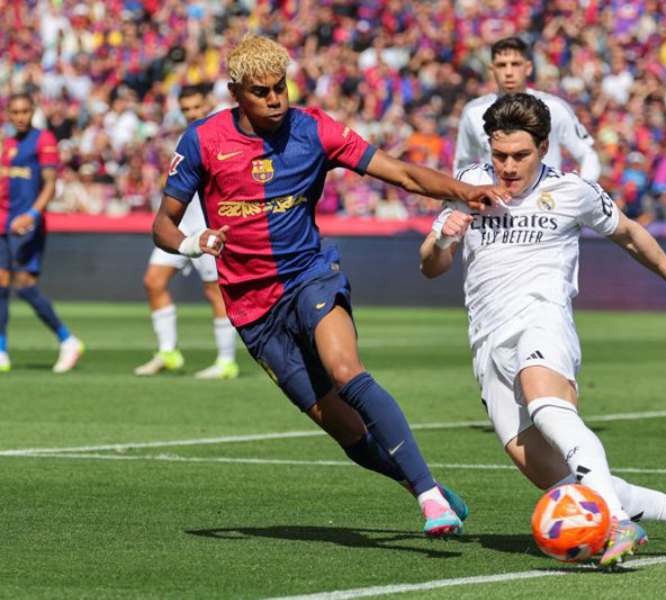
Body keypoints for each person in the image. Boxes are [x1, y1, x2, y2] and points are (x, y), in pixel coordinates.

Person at [152, 35, 507, 537]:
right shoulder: (203, 141)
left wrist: (465, 191)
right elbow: (163, 226)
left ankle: (428, 497)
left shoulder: (315, 129)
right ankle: (419, 483)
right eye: (261, 92)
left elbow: (401, 173)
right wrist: (195, 241)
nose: (275, 99)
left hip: (310, 275)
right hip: (253, 309)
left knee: (346, 370)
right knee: (347, 432)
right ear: (236, 94)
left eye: (280, 87)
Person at [421, 94, 666, 567]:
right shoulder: (466, 183)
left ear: (544, 148)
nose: (508, 167)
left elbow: (630, 234)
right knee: (560, 479)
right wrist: (445, 237)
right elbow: (430, 266)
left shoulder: (572, 190)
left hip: (542, 318)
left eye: (520, 155)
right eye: (500, 155)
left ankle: (615, 522)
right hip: (487, 340)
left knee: (547, 406)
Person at [135, 85, 239, 380]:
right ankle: (168, 352)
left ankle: (226, 361)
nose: (192, 113)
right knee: (153, 281)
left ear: (209, 102)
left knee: (214, 291)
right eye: (186, 109)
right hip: (180, 226)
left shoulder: (222, 134)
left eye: (196, 106)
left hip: (207, 225)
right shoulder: (188, 137)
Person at [0, 92, 83, 373]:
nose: (20, 117)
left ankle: (67, 340)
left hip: (27, 224)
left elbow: (50, 184)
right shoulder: (8, 143)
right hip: (3, 222)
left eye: (24, 111)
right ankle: (1, 350)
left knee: (24, 286)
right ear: (8, 114)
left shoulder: (43, 139)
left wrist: (32, 215)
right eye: (15, 112)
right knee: (1, 285)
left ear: (32, 111)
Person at [454, 36, 601, 181]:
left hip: (546, 195)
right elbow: (462, 163)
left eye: (515, 64)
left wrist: (581, 190)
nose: (509, 72)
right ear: (492, 69)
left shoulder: (555, 107)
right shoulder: (474, 112)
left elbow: (587, 154)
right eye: (502, 65)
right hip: (495, 194)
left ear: (528, 68)